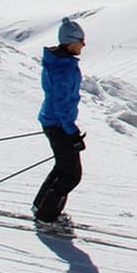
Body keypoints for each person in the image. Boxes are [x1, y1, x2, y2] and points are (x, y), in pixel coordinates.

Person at [32, 17, 87, 229]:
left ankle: (42, 207)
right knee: (71, 175)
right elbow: (62, 104)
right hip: (58, 124)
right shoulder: (64, 69)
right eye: (81, 40)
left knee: (62, 168)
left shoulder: (58, 62)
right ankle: (47, 217)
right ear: (70, 41)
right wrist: (71, 133)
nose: (83, 44)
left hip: (53, 121)